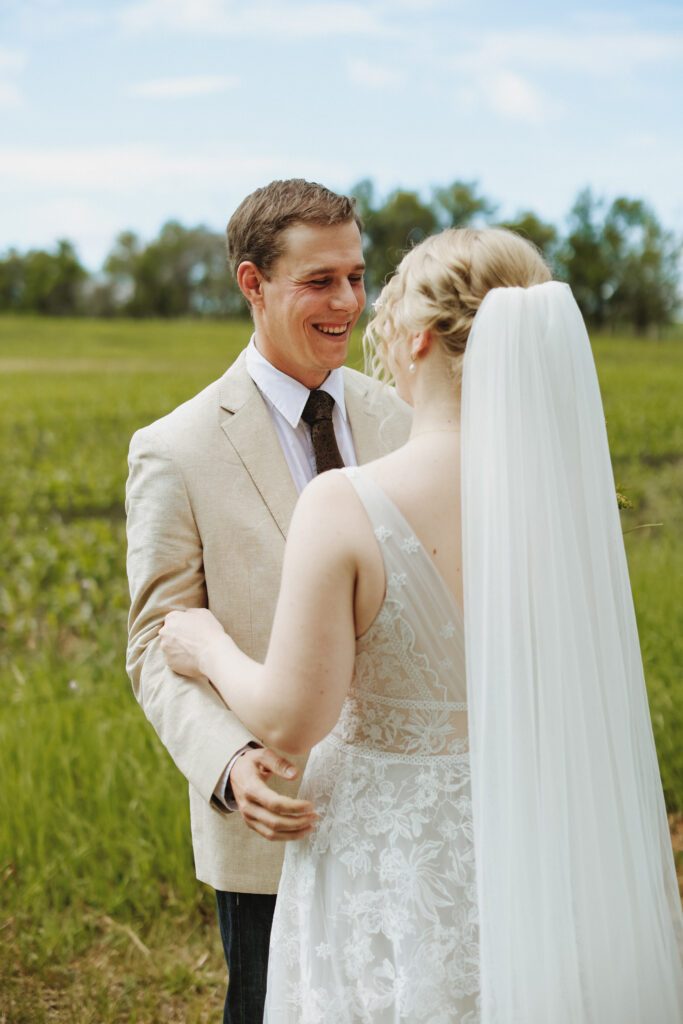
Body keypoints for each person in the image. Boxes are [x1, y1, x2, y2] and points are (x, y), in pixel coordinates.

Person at [160, 227, 683, 1023]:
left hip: (391, 857)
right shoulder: (567, 505)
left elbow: (292, 719)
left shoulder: (345, 502)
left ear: (421, 338)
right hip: (536, 830)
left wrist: (207, 646)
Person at [125, 178, 411, 1024]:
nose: (348, 302)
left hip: (407, 801)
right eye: (319, 281)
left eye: (356, 277)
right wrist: (228, 763)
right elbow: (154, 640)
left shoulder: (398, 418)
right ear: (252, 284)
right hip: (275, 814)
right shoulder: (174, 449)